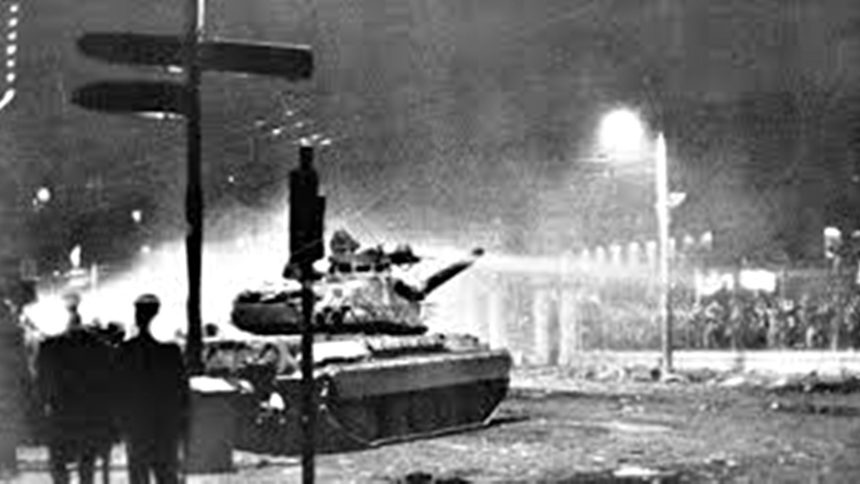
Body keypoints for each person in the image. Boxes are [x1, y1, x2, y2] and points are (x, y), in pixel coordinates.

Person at [36, 295, 115, 484]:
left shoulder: (49, 347)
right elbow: (111, 389)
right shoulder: (102, 348)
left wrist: (42, 413)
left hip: (62, 420)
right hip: (92, 422)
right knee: (87, 463)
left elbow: (42, 387)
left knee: (57, 462)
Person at [116, 294, 188, 484]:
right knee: (167, 473)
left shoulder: (126, 350)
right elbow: (181, 390)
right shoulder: (171, 351)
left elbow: (118, 389)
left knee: (139, 474)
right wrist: (182, 422)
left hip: (137, 424)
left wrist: (121, 421)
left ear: (137, 318)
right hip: (165, 423)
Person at [0, 298, 27, 479]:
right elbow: (21, 359)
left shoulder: (12, 329)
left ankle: (7, 465)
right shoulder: (14, 329)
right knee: (8, 427)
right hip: (10, 384)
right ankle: (10, 465)